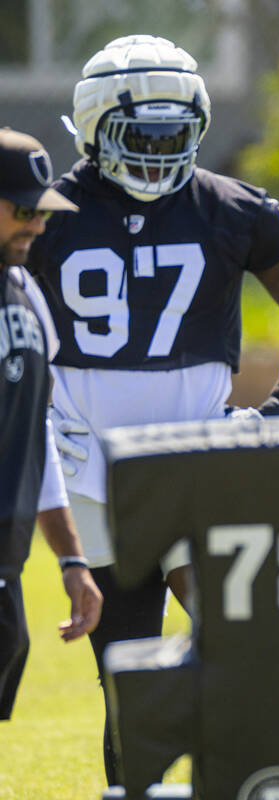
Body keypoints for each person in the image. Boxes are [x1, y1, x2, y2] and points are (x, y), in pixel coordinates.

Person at [25, 35, 279, 786]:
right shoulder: (46, 213)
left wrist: (277, 414)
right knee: (129, 673)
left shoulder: (228, 204)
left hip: (198, 461)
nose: (161, 150)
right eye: (143, 134)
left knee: (246, 649)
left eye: (177, 133)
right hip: (92, 470)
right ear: (94, 125)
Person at [0, 128, 103, 720]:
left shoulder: (28, 295)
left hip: (7, 565)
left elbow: (34, 431)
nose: (36, 225)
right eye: (21, 210)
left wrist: (71, 560)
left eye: (41, 211)